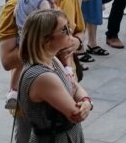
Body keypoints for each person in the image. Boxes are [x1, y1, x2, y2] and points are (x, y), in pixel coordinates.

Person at [0, 0, 84, 128]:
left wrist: (75, 42)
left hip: (68, 86)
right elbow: (7, 61)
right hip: (34, 99)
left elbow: (79, 33)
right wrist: (44, 45)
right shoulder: (16, 6)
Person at [17, 9, 91, 143]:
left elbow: (74, 85)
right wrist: (86, 105)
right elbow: (75, 114)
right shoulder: (43, 77)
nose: (70, 32)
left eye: (68, 27)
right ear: (46, 39)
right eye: (64, 30)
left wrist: (85, 100)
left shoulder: (52, 59)